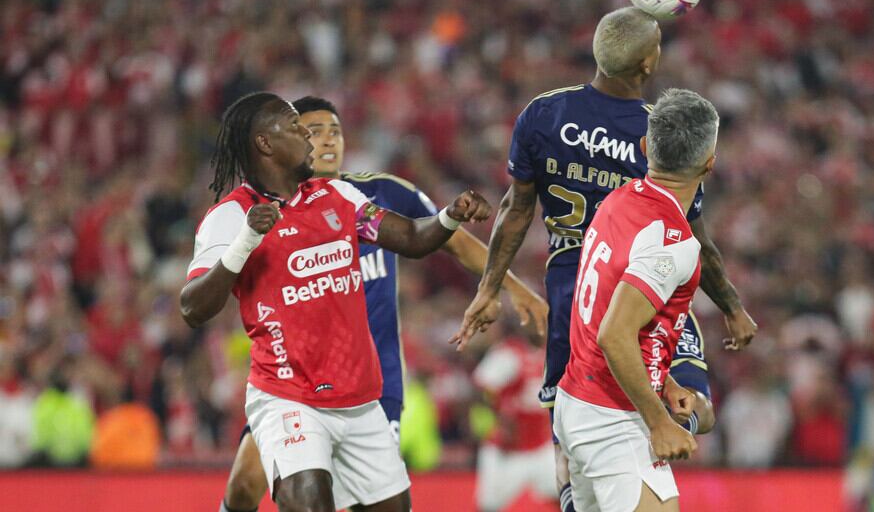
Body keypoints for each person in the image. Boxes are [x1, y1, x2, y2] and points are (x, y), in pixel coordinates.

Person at [452, 7, 757, 511]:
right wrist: (731, 306)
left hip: (571, 292)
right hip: (640, 285)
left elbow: (514, 209)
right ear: (649, 63)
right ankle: (655, 445)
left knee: (570, 439)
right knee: (694, 409)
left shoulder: (543, 114)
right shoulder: (657, 140)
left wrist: (489, 288)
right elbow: (693, 238)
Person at [221, 96, 548, 512]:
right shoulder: (266, 211)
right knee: (245, 485)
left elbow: (452, 239)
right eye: (313, 131)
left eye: (334, 131)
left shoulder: (381, 194)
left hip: (371, 388)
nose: (326, 141)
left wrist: (509, 288)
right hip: (295, 381)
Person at [554, 88, 719, 512]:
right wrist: (659, 421)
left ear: (646, 147)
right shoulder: (671, 241)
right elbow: (614, 334)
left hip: (577, 401)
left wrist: (664, 381)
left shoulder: (618, 199)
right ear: (710, 164)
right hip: (615, 418)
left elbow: (612, 313)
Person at [472, 321, 556, 512]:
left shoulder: (553, 353)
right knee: (489, 506)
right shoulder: (508, 354)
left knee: (567, 497)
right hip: (508, 450)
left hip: (541, 445)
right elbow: (481, 388)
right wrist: (500, 418)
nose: (539, 326)